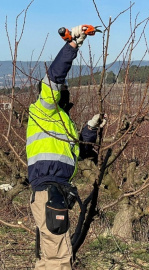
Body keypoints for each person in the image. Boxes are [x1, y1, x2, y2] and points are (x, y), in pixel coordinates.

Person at [26, 25, 92, 269]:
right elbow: (54, 76)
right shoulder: (44, 110)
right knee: (58, 258)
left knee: (50, 255)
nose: (64, 91)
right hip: (49, 191)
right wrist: (73, 44)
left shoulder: (62, 121)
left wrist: (90, 130)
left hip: (56, 190)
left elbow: (79, 152)